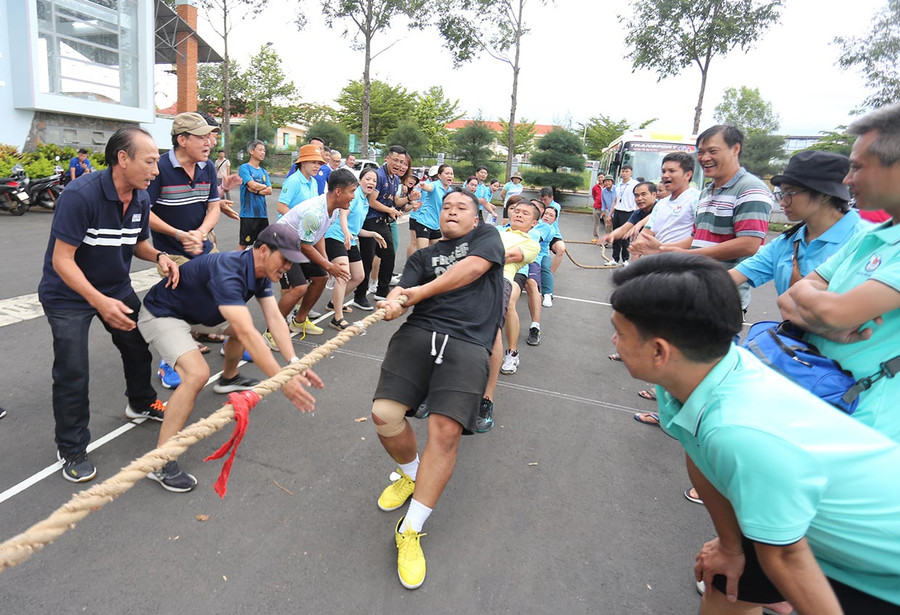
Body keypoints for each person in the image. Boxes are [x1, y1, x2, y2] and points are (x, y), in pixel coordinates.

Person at [610, 251, 900, 613]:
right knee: (726, 578)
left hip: (881, 567)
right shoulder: (690, 380)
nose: (613, 342)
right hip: (804, 526)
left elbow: (786, 559)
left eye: (619, 333)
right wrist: (730, 546)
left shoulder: (739, 429)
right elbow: (697, 451)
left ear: (659, 351)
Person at [371, 188, 505, 590]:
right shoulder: (421, 257)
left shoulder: (487, 238)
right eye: (446, 206)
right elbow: (402, 287)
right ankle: (412, 473)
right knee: (385, 414)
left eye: (461, 207)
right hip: (419, 332)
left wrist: (418, 293)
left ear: (476, 218)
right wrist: (394, 301)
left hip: (467, 342)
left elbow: (469, 271)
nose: (452, 211)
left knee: (444, 432)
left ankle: (410, 529)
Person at [38, 127, 178, 483]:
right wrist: (100, 302)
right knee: (73, 370)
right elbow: (63, 261)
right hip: (67, 295)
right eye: (149, 162)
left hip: (114, 286)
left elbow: (138, 244)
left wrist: (160, 256)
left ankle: (141, 402)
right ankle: (71, 447)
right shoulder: (80, 195)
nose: (156, 170)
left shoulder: (141, 197)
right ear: (122, 159)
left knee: (138, 345)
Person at [138, 224, 323, 492]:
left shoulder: (260, 271)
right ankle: (161, 461)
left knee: (241, 329)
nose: (286, 267)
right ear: (262, 250)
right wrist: (283, 380)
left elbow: (274, 318)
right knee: (197, 373)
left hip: (199, 314)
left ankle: (228, 378)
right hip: (164, 314)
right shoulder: (227, 270)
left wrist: (294, 363)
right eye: (284, 259)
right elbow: (249, 333)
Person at [778, 102, 900, 443]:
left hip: (865, 424)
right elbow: (790, 301)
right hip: (822, 397)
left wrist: (812, 298)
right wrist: (825, 323)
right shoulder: (873, 237)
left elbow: (834, 309)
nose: (847, 180)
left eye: (857, 168)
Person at [631, 125, 773, 312]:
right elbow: (698, 238)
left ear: (735, 149)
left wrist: (687, 257)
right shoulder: (707, 191)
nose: (704, 158)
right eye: (701, 152)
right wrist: (663, 250)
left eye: (712, 151)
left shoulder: (750, 188)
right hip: (695, 290)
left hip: (723, 296)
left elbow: (749, 244)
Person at [263, 168, 357, 345]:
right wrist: (329, 266)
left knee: (320, 278)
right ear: (338, 191)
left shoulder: (334, 209)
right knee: (299, 287)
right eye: (351, 192)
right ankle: (271, 332)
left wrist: (326, 261)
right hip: (280, 243)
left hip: (297, 244)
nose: (353, 197)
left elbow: (318, 235)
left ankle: (299, 321)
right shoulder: (315, 213)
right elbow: (306, 245)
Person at [324, 167, 384, 330]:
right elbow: (343, 214)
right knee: (343, 276)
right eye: (368, 178)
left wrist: (372, 234)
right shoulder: (355, 195)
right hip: (335, 236)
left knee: (358, 276)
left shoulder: (365, 201)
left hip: (348, 239)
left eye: (374, 180)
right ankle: (337, 318)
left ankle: (334, 302)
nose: (371, 182)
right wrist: (345, 234)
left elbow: (356, 229)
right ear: (360, 181)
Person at [355, 146, 405, 309]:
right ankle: (359, 296)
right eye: (395, 160)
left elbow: (395, 201)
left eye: (401, 162)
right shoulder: (378, 175)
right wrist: (390, 210)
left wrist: (409, 199)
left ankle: (382, 291)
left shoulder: (396, 179)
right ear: (387, 158)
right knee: (367, 260)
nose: (398, 164)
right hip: (370, 222)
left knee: (389, 254)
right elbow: (372, 201)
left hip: (383, 223)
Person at [599, 182, 658, 265]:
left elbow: (656, 214)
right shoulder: (638, 213)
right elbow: (624, 229)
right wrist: (611, 235)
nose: (639, 198)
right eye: (636, 195)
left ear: (654, 195)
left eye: (643, 194)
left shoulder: (662, 208)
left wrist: (640, 224)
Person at [237, 139, 273, 250]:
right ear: (251, 151)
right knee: (244, 244)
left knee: (264, 245)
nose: (263, 153)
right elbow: (251, 185)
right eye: (260, 150)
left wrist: (257, 190)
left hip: (262, 214)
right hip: (248, 214)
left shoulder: (263, 171)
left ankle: (255, 266)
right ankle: (232, 266)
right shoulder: (244, 168)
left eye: (264, 150)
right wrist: (261, 187)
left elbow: (270, 190)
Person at [409, 164, 453, 253]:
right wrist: (422, 185)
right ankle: (411, 266)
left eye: (451, 174)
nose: (450, 176)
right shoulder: (435, 185)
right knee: (423, 252)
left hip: (435, 225)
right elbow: (428, 187)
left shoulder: (450, 191)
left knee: (439, 253)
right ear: (439, 176)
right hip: (424, 222)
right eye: (447, 173)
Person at [537, 187, 566, 307]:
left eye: (546, 199)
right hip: (535, 240)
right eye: (541, 199)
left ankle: (548, 277)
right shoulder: (539, 210)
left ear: (551, 198)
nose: (544, 202)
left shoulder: (555, 207)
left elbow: (549, 217)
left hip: (550, 236)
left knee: (560, 249)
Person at [278, 144, 325, 217]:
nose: (317, 166)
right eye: (313, 162)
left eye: (319, 163)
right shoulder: (293, 181)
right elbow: (281, 207)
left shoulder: (314, 181)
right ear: (303, 163)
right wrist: (298, 221)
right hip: (288, 226)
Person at [610, 164, 638, 264]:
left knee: (625, 237)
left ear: (631, 172)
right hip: (617, 211)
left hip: (628, 212)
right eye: (623, 171)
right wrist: (610, 215)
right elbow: (615, 200)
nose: (624, 173)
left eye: (626, 171)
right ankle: (615, 258)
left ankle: (625, 259)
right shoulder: (618, 185)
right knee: (616, 236)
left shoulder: (635, 184)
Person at [590, 175, 608, 242]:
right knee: (596, 223)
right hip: (597, 207)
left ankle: (607, 238)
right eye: (599, 177)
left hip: (606, 208)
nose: (600, 179)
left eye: (602, 177)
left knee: (607, 224)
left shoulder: (607, 187)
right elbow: (594, 196)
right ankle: (596, 237)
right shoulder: (595, 187)